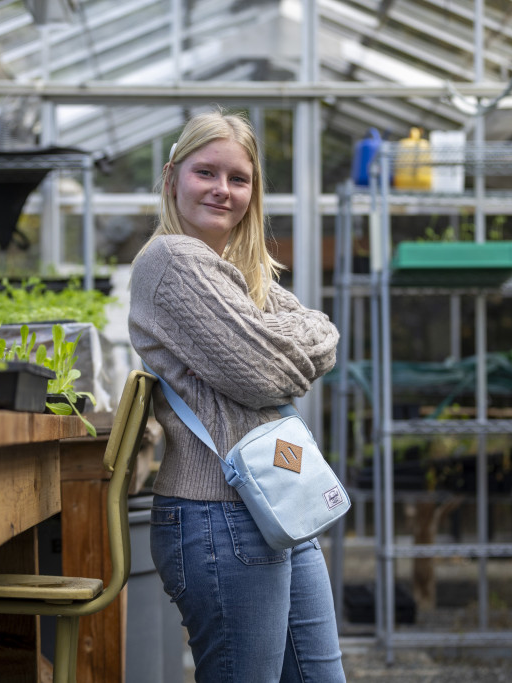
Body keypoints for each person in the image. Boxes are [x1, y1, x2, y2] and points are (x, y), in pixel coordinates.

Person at [128, 108, 346, 682]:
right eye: (206, 172)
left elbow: (326, 335)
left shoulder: (239, 273)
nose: (222, 190)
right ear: (173, 176)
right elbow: (263, 373)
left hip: (277, 502)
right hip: (216, 514)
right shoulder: (171, 261)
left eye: (239, 178)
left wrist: (281, 341)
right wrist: (281, 343)